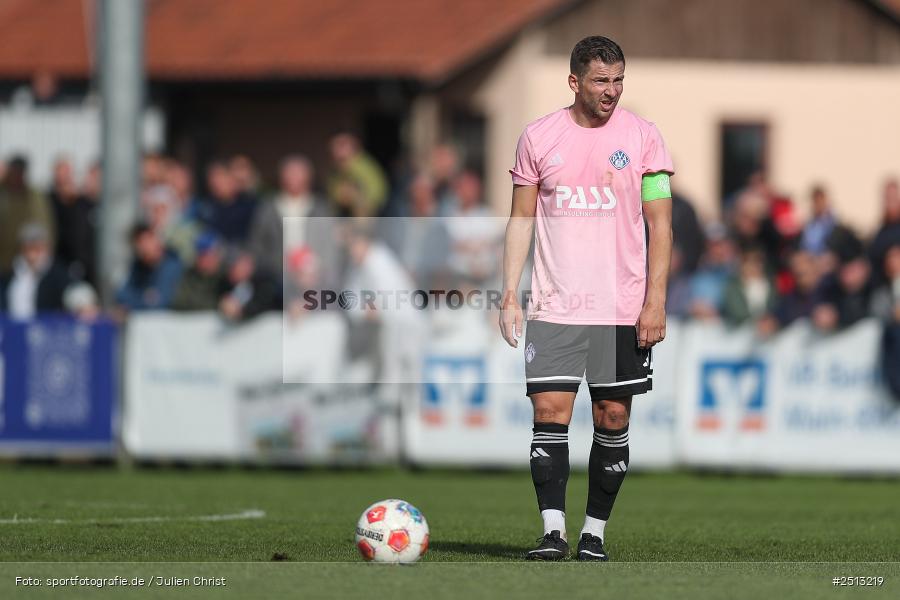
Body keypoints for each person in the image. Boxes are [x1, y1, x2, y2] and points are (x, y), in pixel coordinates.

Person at [499, 36, 673, 562]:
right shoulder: (538, 137)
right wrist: (509, 291)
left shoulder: (643, 137)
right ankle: (553, 531)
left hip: (621, 308)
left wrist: (655, 300)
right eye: (601, 81)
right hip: (554, 305)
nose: (612, 91)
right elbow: (521, 219)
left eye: (619, 80)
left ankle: (593, 533)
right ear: (574, 81)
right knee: (549, 411)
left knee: (612, 417)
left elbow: (660, 224)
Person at [247, 155, 339, 287]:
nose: (293, 177)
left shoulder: (321, 208)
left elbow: (330, 246)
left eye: (298, 173)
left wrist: (314, 269)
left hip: (315, 278)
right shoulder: (268, 208)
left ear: (309, 177)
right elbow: (257, 246)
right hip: (277, 278)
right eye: (289, 173)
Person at [0, 223, 72, 320]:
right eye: (29, 248)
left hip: (44, 330)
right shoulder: (8, 276)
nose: (33, 254)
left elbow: (74, 293)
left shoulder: (58, 275)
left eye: (38, 249)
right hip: (12, 329)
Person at [0, 155, 55, 273]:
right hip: (3, 261)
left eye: (20, 172)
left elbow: (45, 226)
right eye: (14, 172)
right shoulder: (3, 194)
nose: (17, 177)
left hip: (28, 263)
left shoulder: (35, 197)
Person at [48, 157, 97, 286]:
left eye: (67, 177)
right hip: (58, 265)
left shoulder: (86, 204)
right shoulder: (48, 202)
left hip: (86, 268)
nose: (64, 181)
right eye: (61, 179)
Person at [116, 224, 183, 311]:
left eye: (148, 241)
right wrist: (144, 296)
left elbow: (161, 302)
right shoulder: (138, 266)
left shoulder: (172, 265)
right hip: (144, 320)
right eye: (140, 243)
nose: (145, 247)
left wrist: (135, 300)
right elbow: (121, 296)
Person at [326, 132, 388, 218]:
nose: (336, 149)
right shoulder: (335, 171)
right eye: (334, 145)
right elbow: (333, 194)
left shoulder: (364, 166)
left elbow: (377, 194)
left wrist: (355, 196)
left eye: (342, 145)